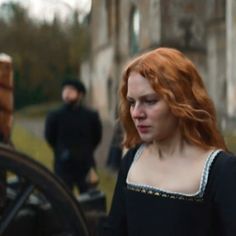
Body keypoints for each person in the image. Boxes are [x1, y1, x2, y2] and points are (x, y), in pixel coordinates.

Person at [101, 47, 236, 235]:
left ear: (181, 101)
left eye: (149, 101)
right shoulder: (132, 160)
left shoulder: (220, 170)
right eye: (132, 102)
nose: (136, 113)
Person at [45, 79, 102, 193]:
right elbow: (50, 137)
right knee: (63, 198)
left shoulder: (91, 116)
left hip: (85, 164)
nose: (66, 93)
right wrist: (61, 150)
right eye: (65, 90)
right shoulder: (55, 116)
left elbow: (97, 137)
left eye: (71, 90)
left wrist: (86, 150)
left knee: (90, 199)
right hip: (63, 165)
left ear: (80, 94)